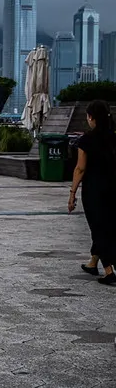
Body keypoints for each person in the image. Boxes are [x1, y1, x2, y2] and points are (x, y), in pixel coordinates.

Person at [69, 100, 116, 285]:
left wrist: (72, 193)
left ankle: (108, 270)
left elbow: (80, 169)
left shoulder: (87, 140)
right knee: (107, 225)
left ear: (91, 118)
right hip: (113, 188)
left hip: (94, 190)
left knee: (98, 228)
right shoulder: (114, 137)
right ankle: (92, 263)